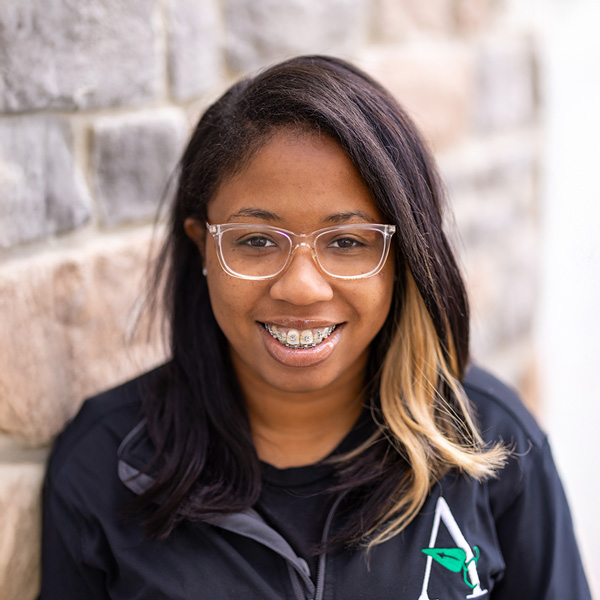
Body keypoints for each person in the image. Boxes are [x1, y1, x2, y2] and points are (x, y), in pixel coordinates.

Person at [39, 55, 591, 599]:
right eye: (256, 241)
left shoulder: (492, 440)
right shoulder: (104, 464)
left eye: (348, 242)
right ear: (202, 246)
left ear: (404, 259)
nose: (302, 287)